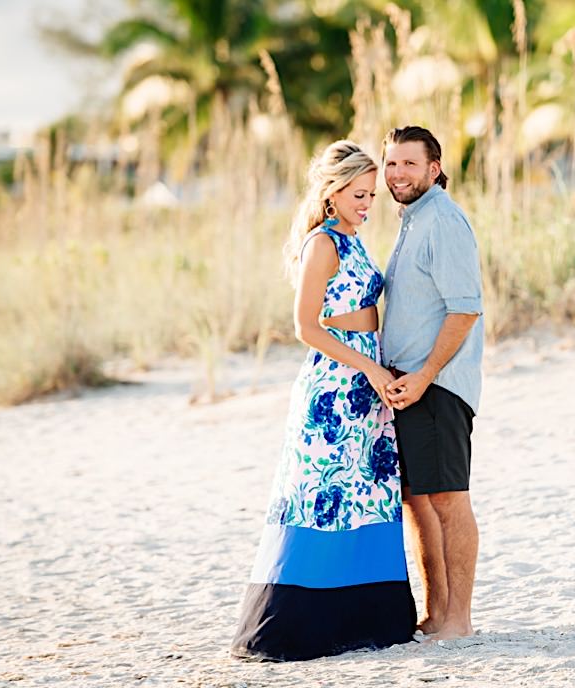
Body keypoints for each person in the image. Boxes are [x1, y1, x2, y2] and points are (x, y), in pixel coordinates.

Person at [230, 140, 418, 662]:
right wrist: (370, 367)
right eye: (358, 194)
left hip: (368, 387)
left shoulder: (355, 240)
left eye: (372, 195)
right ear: (332, 193)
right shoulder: (323, 244)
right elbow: (305, 327)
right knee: (319, 497)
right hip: (335, 389)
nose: (366, 204)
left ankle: (364, 619)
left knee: (364, 494)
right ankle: (292, 627)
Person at [378, 125, 485, 641]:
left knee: (447, 499)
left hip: (438, 385)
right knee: (419, 501)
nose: (398, 174)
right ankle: (436, 613)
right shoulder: (411, 220)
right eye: (392, 164)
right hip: (409, 384)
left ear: (434, 168)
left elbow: (464, 310)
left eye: (409, 164)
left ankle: (458, 620)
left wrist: (423, 377)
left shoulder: (442, 219)